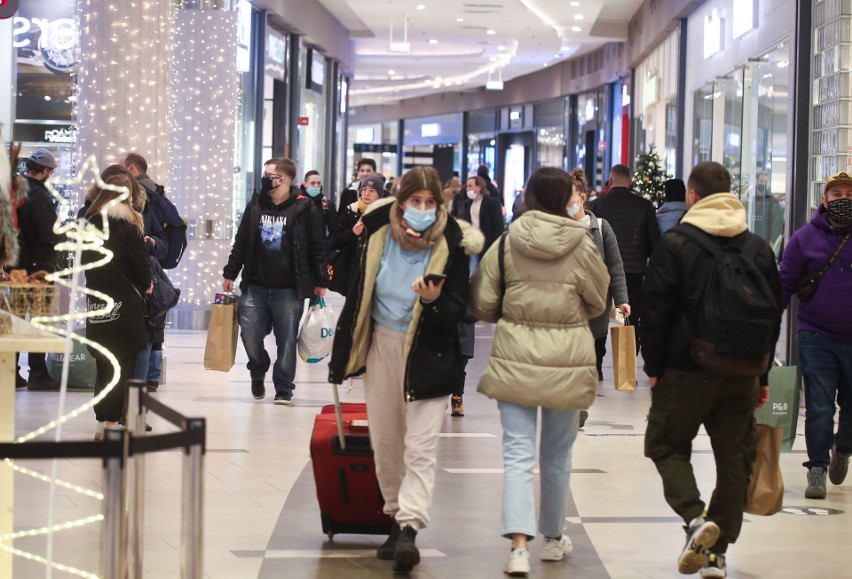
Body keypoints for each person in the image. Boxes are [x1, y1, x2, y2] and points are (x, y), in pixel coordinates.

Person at [328, 166, 483, 574]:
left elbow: (457, 311)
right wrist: (342, 356)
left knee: (420, 446)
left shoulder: (451, 243)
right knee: (387, 441)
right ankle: (395, 518)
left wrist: (433, 301)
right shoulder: (378, 235)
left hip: (430, 355)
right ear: (401, 203)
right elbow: (358, 295)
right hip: (382, 346)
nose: (422, 210)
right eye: (415, 202)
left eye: (430, 204)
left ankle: (410, 528)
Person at [640, 161, 781, 578]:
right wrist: (764, 376)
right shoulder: (756, 247)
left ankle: (695, 520)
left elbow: (655, 310)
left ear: (694, 196)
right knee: (734, 461)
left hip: (686, 368)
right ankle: (717, 556)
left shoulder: (676, 243)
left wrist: (655, 366)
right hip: (742, 373)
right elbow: (772, 316)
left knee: (665, 445)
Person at [469, 167, 609, 577]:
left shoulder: (508, 242)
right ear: (566, 198)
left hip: (515, 357)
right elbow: (598, 300)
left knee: (516, 453)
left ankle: (517, 548)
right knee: (557, 454)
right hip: (567, 360)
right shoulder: (583, 244)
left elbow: (482, 300)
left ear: (528, 197)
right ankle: (552, 539)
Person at [223, 157, 327, 405]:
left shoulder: (305, 209)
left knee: (287, 340)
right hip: (255, 285)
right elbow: (242, 240)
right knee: (249, 335)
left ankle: (284, 388)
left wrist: (321, 280)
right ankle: (258, 368)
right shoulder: (256, 205)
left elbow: (317, 248)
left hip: (288, 289)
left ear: (281, 180)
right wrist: (230, 272)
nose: (264, 178)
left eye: (268, 174)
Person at [779, 171, 852, 500]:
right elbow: (784, 283)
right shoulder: (804, 238)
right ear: (824, 200)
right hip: (816, 334)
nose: (843, 200)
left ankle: (844, 448)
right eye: (836, 194)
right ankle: (817, 469)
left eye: (849, 194)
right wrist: (767, 326)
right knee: (820, 407)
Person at [82, 165, 152, 440]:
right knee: (123, 363)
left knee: (103, 362)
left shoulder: (88, 223)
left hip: (98, 300)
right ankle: (111, 421)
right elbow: (141, 266)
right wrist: (147, 285)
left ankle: (104, 419)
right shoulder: (129, 226)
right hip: (125, 302)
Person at [120, 152, 177, 391]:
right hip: (117, 282)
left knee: (148, 333)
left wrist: (152, 242)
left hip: (146, 279)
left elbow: (164, 245)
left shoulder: (147, 208)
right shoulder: (103, 212)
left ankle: (141, 387)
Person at [568, 169, 630, 386]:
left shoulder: (601, 228)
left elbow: (615, 266)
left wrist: (622, 299)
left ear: (582, 198)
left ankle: (576, 405)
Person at [588, 164, 660, 348]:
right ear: (630, 182)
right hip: (634, 271)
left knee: (599, 316)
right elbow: (654, 243)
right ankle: (629, 364)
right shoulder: (644, 206)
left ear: (610, 181)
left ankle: (598, 360)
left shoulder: (597, 204)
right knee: (630, 319)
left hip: (602, 271)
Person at [17, 148, 65, 391]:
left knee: (15, 319)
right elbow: (50, 233)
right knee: (39, 320)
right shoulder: (40, 196)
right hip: (39, 269)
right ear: (45, 171)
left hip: (15, 267)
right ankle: (37, 373)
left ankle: (11, 373)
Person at [327, 172, 384, 297]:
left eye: (372, 190)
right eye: (364, 189)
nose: (366, 193)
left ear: (379, 195)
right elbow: (334, 240)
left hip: (375, 269)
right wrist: (352, 233)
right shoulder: (351, 211)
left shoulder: (384, 214)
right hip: (351, 268)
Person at [459, 175, 503, 271]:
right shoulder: (467, 204)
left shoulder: (492, 203)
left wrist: (496, 246)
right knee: (472, 271)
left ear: (479, 187)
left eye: (470, 186)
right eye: (467, 186)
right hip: (473, 244)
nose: (467, 189)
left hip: (488, 244)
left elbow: (498, 226)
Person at [750, 172, 784, 246]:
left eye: (765, 182)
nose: (763, 184)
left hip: (765, 241)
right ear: (756, 181)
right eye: (761, 181)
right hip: (750, 238)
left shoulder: (773, 202)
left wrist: (772, 241)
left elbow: (776, 224)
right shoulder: (749, 199)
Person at [301, 169, 338, 238]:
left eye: (318, 183)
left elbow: (334, 231)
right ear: (305, 184)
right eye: (312, 183)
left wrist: (326, 245)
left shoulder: (327, 204)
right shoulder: (298, 202)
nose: (316, 186)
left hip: (320, 245)